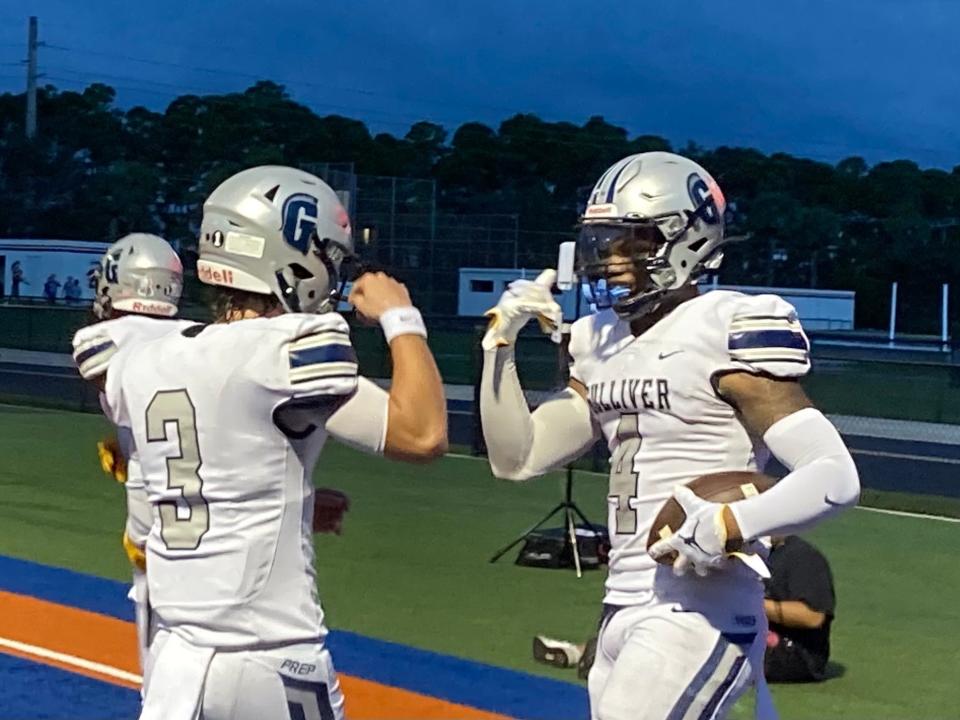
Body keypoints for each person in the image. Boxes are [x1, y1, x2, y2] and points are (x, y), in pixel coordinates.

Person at [479, 151, 859, 720]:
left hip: (701, 609)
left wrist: (731, 523)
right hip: (621, 602)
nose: (611, 259)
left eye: (631, 240)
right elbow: (517, 457)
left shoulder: (725, 325)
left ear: (687, 240)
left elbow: (835, 476)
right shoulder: (596, 341)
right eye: (603, 242)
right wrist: (499, 344)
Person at [102, 166, 447, 720]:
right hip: (271, 656)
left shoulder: (145, 356)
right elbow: (423, 434)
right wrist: (401, 320)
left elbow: (219, 467)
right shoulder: (286, 347)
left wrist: (291, 503)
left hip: (175, 659)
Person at [71, 233, 189, 674]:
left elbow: (124, 381)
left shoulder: (100, 340)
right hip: (213, 502)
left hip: (155, 510)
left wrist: (136, 441)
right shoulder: (201, 337)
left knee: (159, 636)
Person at [764, 535, 836, 682]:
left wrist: (752, 605)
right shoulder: (749, 552)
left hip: (796, 654)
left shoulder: (803, 556)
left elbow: (813, 616)